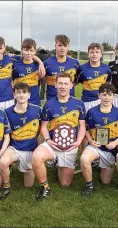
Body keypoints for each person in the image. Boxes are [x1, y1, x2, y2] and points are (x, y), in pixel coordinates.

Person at [31, 72, 86, 201]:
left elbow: (82, 126)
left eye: (66, 84)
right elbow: (44, 127)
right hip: (53, 144)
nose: (62, 86)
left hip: (70, 145)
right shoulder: (49, 104)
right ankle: (45, 187)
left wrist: (78, 142)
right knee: (36, 156)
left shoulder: (79, 104)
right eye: (60, 83)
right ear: (55, 85)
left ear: (71, 85)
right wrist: (48, 140)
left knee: (65, 183)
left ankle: (57, 164)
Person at [80, 83, 118, 196]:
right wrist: (90, 141)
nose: (107, 97)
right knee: (84, 158)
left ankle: (100, 165)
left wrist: (115, 143)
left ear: (113, 96)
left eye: (110, 95)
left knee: (106, 182)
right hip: (95, 146)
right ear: (99, 95)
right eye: (104, 94)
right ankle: (89, 185)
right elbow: (86, 129)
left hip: (110, 149)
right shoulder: (91, 112)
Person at [0, 82, 42, 200]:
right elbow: (5, 134)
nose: (21, 95)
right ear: (14, 95)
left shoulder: (37, 110)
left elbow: (40, 129)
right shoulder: (7, 112)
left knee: (28, 185)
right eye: (18, 92)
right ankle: (6, 187)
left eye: (24, 92)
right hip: (15, 148)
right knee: (3, 162)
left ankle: (23, 166)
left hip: (31, 148)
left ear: (29, 95)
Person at [77, 43, 112, 112]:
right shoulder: (82, 68)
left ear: (101, 54)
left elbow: (108, 81)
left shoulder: (106, 68)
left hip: (101, 101)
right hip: (86, 102)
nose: (94, 54)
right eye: (92, 52)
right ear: (88, 54)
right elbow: (77, 81)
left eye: (97, 52)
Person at [44, 34, 80, 101]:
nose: (62, 48)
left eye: (65, 45)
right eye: (60, 45)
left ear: (68, 47)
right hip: (52, 100)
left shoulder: (75, 63)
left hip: (70, 100)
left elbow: (78, 80)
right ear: (55, 46)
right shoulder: (47, 63)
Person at [12, 38, 42, 106]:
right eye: (26, 50)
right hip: (19, 100)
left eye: (31, 50)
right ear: (21, 50)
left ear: (35, 51)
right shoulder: (14, 62)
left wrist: (41, 63)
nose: (28, 53)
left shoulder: (38, 65)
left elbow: (41, 77)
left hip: (35, 100)